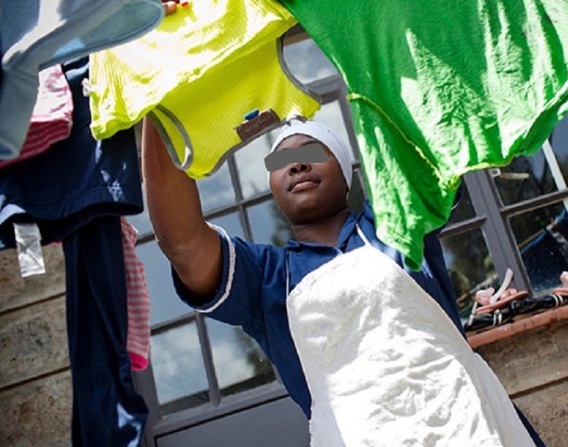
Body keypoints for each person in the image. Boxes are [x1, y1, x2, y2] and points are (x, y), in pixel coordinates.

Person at [142, 117, 545, 446]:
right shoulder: (265, 278)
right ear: (271, 186)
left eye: (311, 152)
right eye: (282, 161)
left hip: (469, 422)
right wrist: (158, 104)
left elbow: (438, 130)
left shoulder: (396, 220)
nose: (297, 165)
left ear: (346, 168)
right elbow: (182, 243)